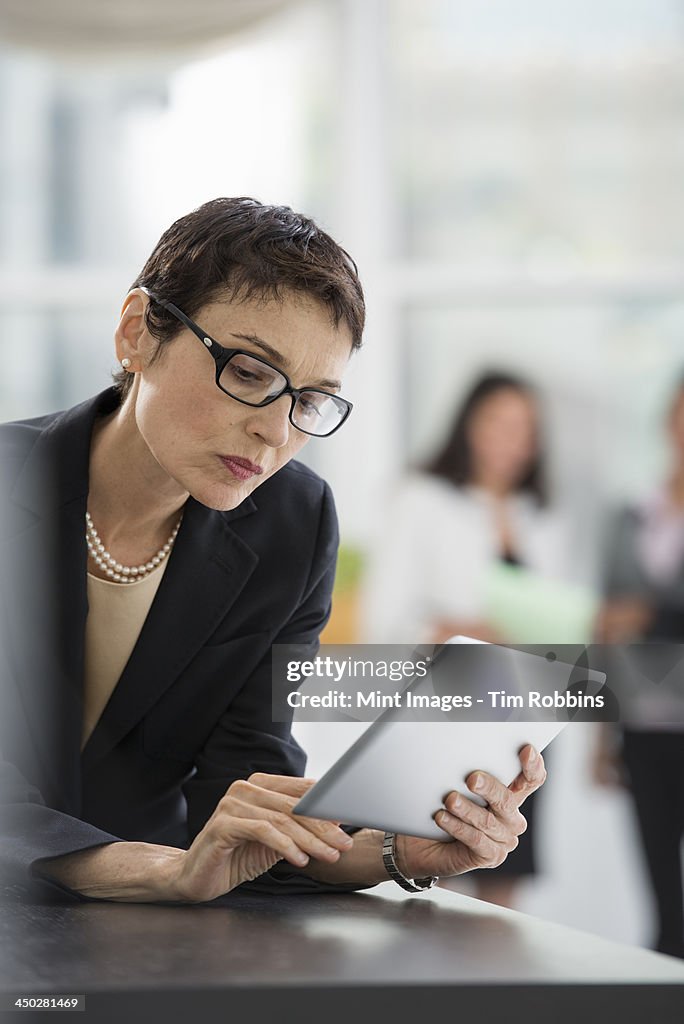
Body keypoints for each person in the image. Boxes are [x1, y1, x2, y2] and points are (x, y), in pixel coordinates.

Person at [0, 199, 545, 906]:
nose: (274, 432)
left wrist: (393, 849)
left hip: (145, 936)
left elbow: (245, 795)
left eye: (310, 401)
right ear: (137, 332)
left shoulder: (292, 522)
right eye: (251, 372)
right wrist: (164, 870)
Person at [362, 371, 568, 907]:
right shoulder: (420, 498)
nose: (512, 439)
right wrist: (462, 633)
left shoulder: (541, 516)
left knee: (506, 863)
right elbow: (382, 621)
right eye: (499, 423)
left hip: (524, 716)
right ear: (467, 425)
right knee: (436, 858)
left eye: (525, 427)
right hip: (447, 707)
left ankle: (494, 990)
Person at [593, 377, 684, 959]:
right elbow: (603, 629)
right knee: (662, 898)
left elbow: (639, 611)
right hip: (646, 724)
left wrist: (650, 613)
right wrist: (602, 739)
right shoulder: (630, 514)